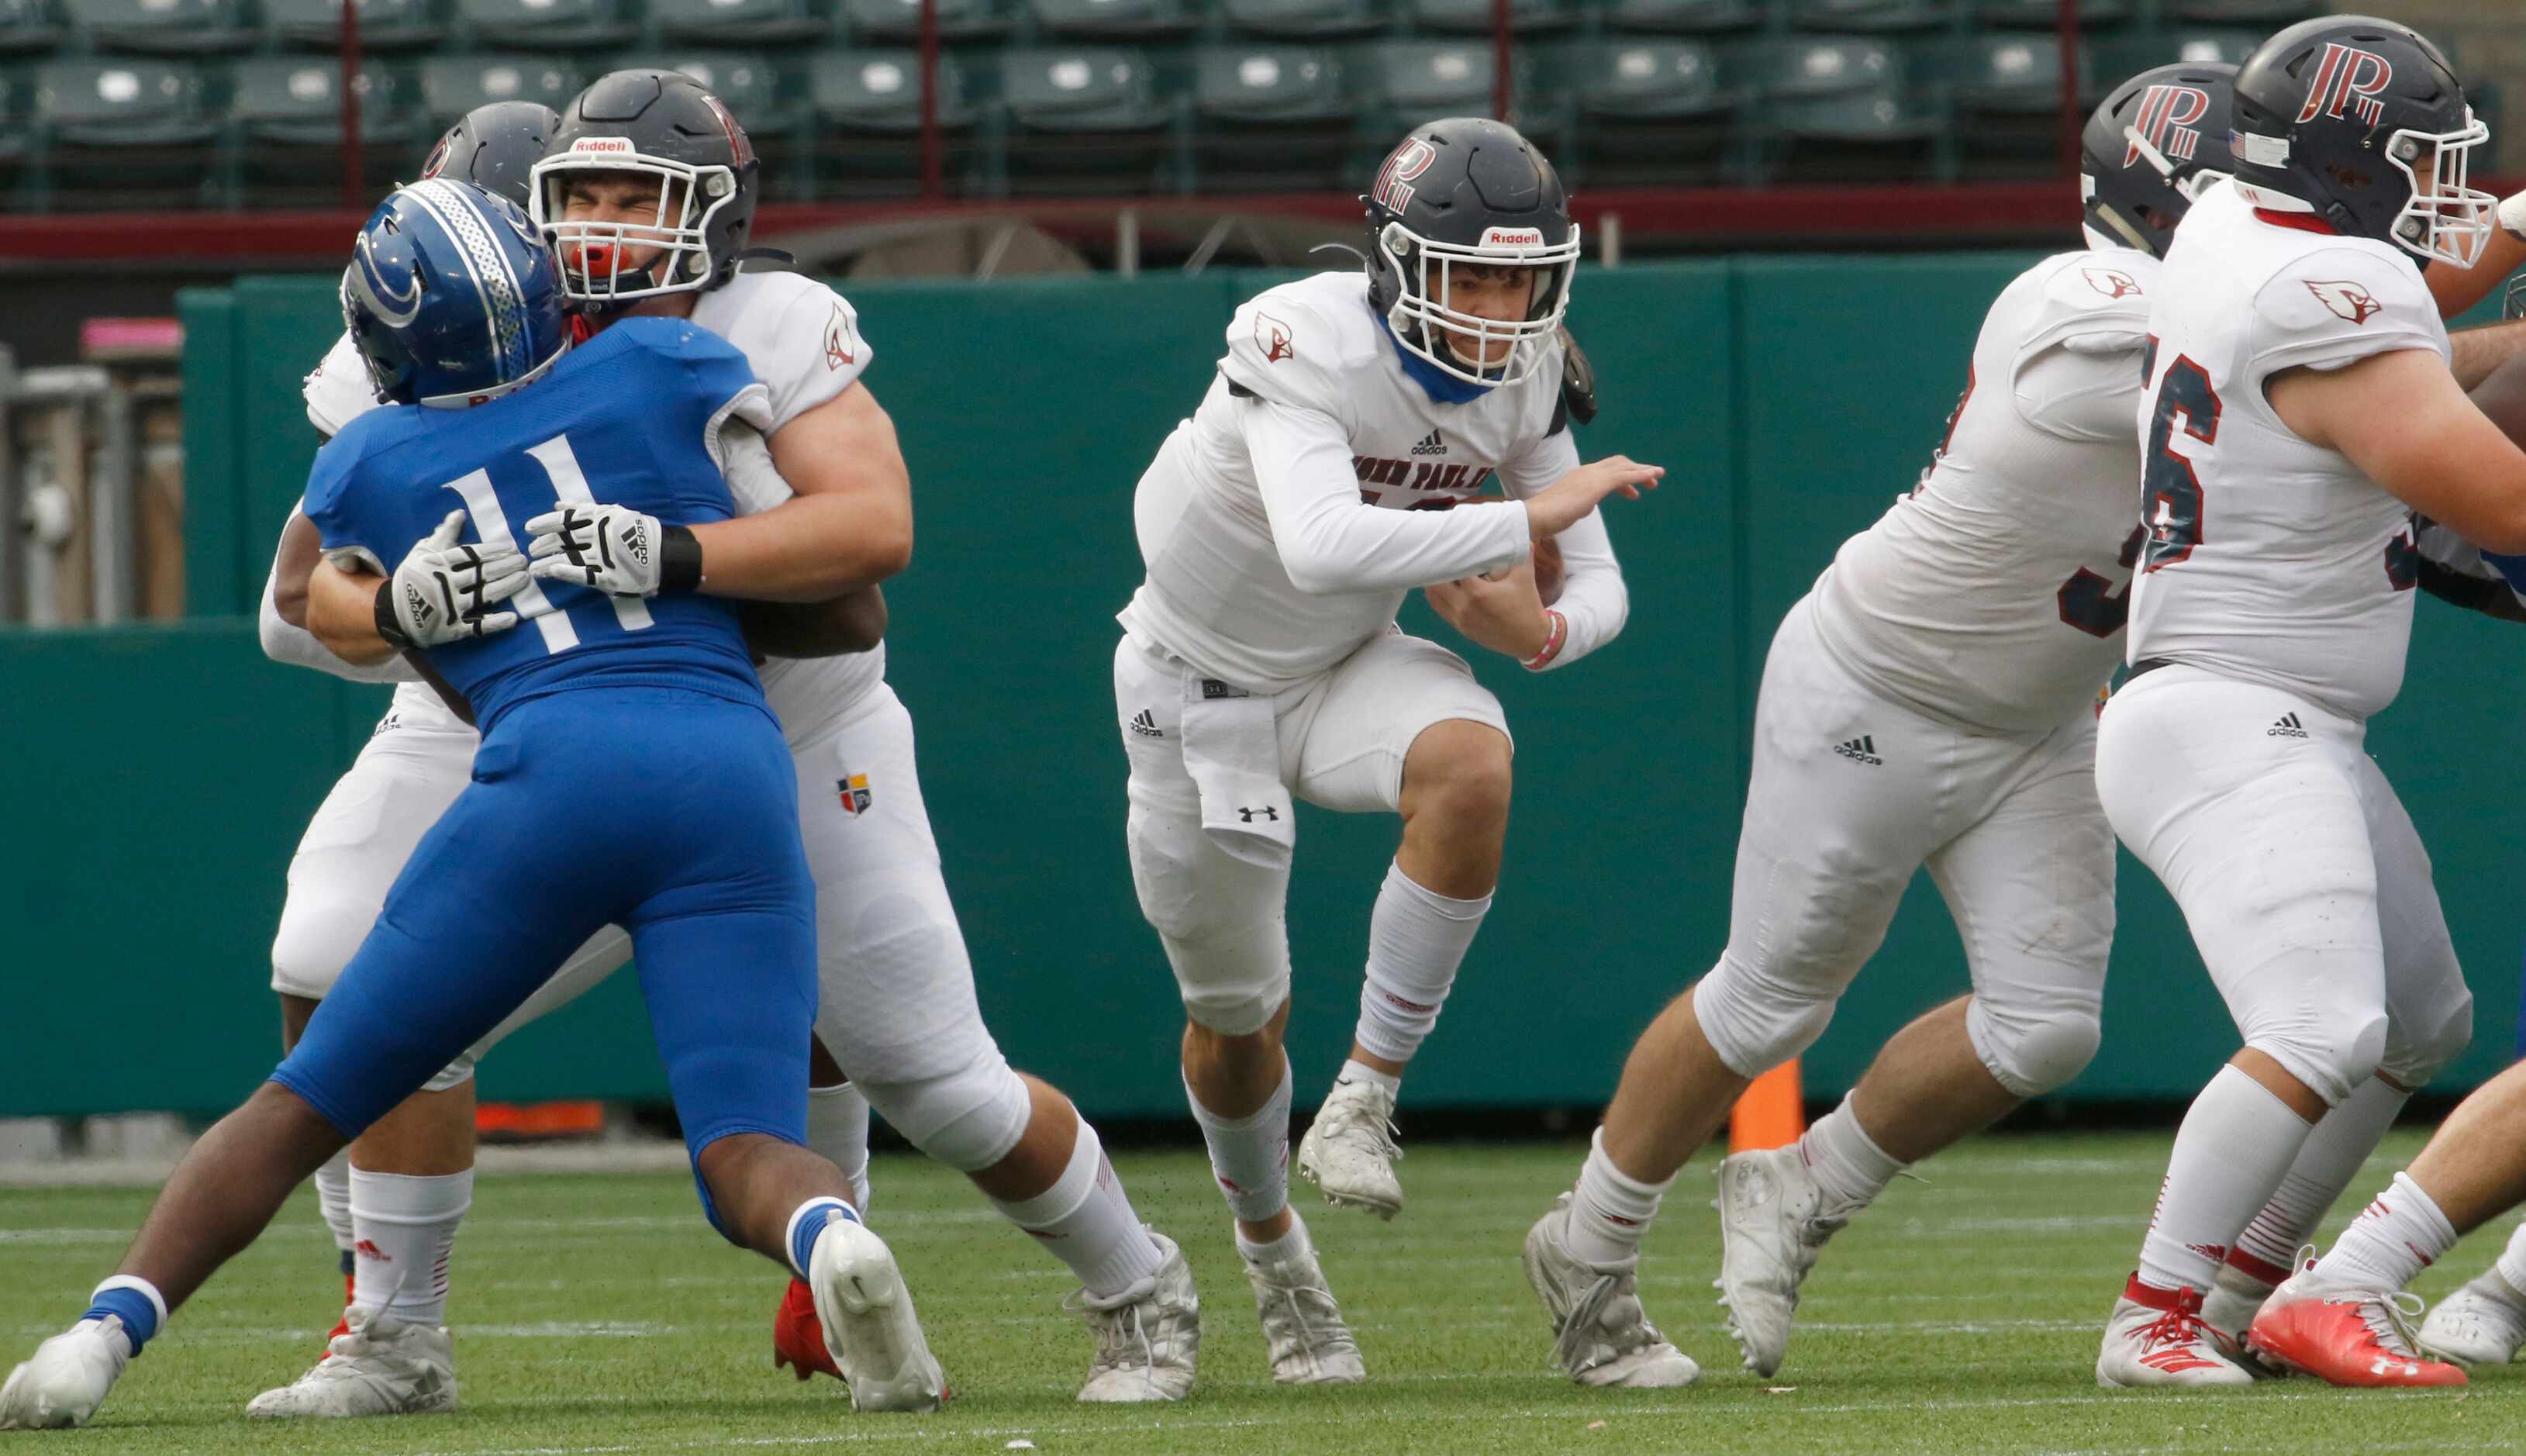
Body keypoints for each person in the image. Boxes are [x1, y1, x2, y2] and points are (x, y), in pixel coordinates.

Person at [250, 69, 1198, 1415]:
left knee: (934, 1071)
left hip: (774, 726)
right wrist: (405, 605)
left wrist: (671, 555)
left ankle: (1136, 1281)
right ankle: (393, 1331)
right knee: (329, 958)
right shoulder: (404, 349)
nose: (589, 235)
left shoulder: (760, 324)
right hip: (502, 720)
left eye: (614, 201)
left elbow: (867, 551)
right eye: (569, 204)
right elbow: (299, 606)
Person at [0, 178, 942, 1431]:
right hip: (729, 770)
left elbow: (306, 602)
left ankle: (98, 1338)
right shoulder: (671, 361)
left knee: (304, 1104)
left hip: (543, 786)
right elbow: (848, 607)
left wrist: (395, 607)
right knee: (737, 1148)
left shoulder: (372, 463)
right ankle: (826, 1234)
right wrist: (663, 551)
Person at [1516, 63, 2231, 1389]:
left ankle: (1799, 1185)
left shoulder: (2217, 316)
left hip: (2038, 718)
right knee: (1770, 997)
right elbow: (2295, 398)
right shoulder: (2081, 301)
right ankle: (1590, 1245)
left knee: (2047, 1027)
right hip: (1876, 687)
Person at [1112, 116, 1658, 1385]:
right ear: (1395, 262)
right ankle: (1271, 1251)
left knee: (1474, 757)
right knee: (1238, 1022)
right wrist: (1511, 522)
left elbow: (1599, 589)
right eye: (1466, 273)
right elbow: (1317, 542)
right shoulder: (1305, 334)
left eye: (1518, 278)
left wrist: (1542, 630)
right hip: (1195, 691)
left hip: (1343, 665)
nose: (1493, 305)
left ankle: (1364, 1093)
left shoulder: (1527, 375)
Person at [2087, 14, 2526, 1388]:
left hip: (2263, 704)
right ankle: (2149, 1317)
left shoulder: (2229, 220)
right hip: (2230, 706)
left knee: (2416, 1021)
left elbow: (2414, 289)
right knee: (2321, 1025)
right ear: (2346, 167)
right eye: (2422, 160)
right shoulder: (2323, 293)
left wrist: (2513, 218)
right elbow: (2498, 498)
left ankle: (2252, 1283)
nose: (2445, 185)